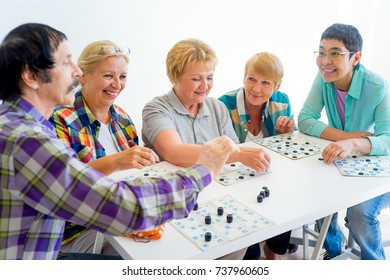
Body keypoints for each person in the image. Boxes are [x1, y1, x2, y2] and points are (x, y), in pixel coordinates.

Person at [0, 23, 238, 260]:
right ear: (31, 76)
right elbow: (119, 206)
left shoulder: (23, 126)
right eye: (65, 62)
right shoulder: (27, 141)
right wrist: (203, 170)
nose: (76, 72)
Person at [142, 38, 271, 259]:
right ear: (174, 77)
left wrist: (237, 154)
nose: (205, 85)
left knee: (245, 243)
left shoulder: (217, 107)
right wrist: (238, 154)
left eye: (209, 78)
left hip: (219, 200)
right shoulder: (156, 108)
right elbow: (174, 152)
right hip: (176, 205)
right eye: (196, 79)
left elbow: (233, 149)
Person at [49, 40, 161, 255]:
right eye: (108, 76)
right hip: (79, 230)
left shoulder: (123, 119)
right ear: (82, 75)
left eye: (122, 77)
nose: (117, 85)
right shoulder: (59, 120)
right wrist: (115, 161)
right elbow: (64, 186)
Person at [298, 23, 390, 260]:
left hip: (377, 168)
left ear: (356, 57)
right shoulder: (324, 79)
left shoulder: (377, 85)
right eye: (321, 52)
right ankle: (334, 251)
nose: (325, 61)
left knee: (359, 214)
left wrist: (354, 144)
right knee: (316, 197)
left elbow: (387, 140)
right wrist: (348, 138)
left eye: (335, 53)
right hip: (342, 157)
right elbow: (305, 120)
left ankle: (375, 263)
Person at [219, 52, 296, 260]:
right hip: (235, 177)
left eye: (265, 83)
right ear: (244, 77)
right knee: (249, 251)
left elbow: (287, 146)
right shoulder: (223, 105)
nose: (256, 88)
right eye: (251, 79)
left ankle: (274, 251)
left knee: (285, 197)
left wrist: (286, 132)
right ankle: (254, 250)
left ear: (276, 86)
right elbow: (221, 150)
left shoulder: (282, 102)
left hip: (268, 172)